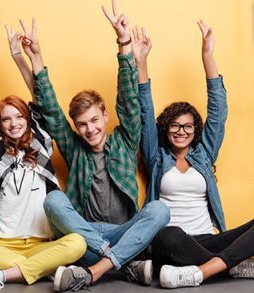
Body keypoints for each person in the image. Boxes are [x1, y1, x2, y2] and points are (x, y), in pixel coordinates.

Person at [22, 1, 170, 291]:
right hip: (85, 237)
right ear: (76, 127)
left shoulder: (125, 141)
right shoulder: (75, 147)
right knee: (53, 201)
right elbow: (51, 110)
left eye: (94, 120)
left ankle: (105, 264)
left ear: (105, 115)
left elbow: (129, 102)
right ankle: (121, 263)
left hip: (127, 233)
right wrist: (37, 58)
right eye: (82, 124)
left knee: (159, 210)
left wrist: (123, 43)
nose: (90, 129)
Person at [0, 21, 87, 292]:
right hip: (3, 243)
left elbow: (41, 98)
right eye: (6, 119)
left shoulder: (41, 143)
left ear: (29, 120)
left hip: (43, 241)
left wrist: (20, 56)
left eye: (19, 116)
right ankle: (42, 269)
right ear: (0, 124)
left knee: (77, 243)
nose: (14, 123)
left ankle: (6, 275)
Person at [135, 20, 254, 289]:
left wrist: (207, 56)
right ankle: (231, 266)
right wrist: (141, 62)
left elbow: (218, 111)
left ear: (195, 130)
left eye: (187, 126)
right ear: (165, 129)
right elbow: (144, 110)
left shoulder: (204, 154)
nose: (181, 131)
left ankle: (202, 271)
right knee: (168, 235)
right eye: (174, 126)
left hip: (207, 239)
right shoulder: (157, 157)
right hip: (171, 241)